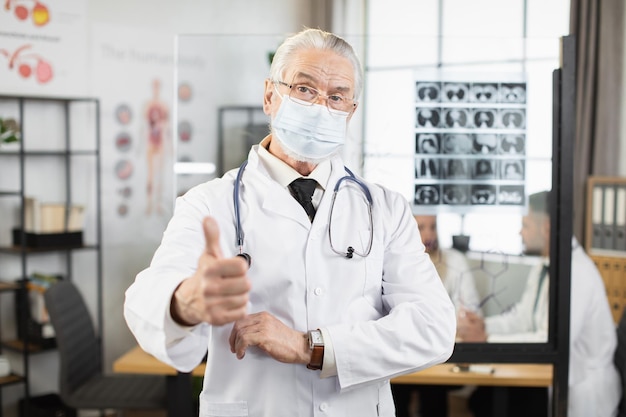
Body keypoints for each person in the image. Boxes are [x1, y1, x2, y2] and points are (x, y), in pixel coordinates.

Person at [124, 28, 456, 417]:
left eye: (336, 96)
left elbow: (432, 328)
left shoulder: (384, 208)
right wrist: (184, 302)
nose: (320, 106)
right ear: (270, 96)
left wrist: (311, 347)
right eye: (304, 89)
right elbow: (148, 297)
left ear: (351, 111)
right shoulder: (209, 204)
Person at [457, 190, 621, 417]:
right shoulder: (546, 264)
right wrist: (484, 327)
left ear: (546, 227)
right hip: (556, 384)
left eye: (526, 225)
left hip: (585, 399)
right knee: (484, 400)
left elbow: (552, 341)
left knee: (489, 402)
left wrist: (486, 340)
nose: (520, 232)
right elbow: (524, 318)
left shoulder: (576, 273)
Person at [393, 215, 481, 417]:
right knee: (397, 394)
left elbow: (469, 315)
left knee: (434, 395)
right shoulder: (396, 262)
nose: (429, 234)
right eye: (421, 227)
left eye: (433, 227)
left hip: (441, 354)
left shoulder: (455, 262)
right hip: (405, 352)